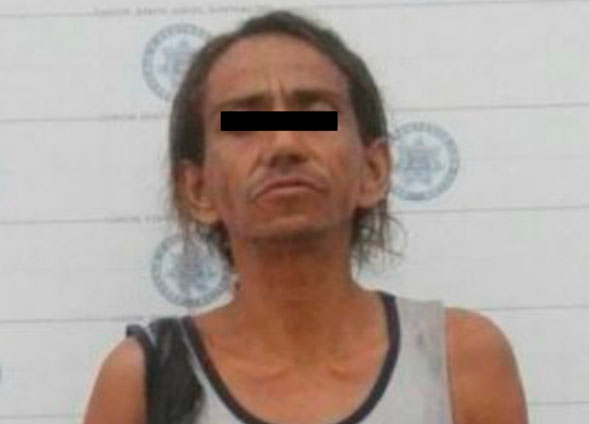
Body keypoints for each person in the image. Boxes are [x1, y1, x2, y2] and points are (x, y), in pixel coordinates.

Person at [83, 9, 528, 424]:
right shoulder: (143, 382)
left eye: (317, 117)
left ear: (373, 170)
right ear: (197, 190)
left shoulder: (459, 360)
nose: (284, 144)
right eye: (244, 123)